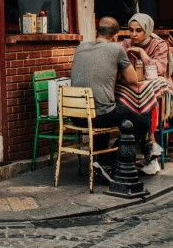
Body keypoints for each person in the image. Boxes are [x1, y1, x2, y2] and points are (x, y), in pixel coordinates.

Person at [71, 16, 160, 178]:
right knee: (140, 123)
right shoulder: (116, 49)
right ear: (115, 37)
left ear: (97, 32)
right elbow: (133, 80)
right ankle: (108, 160)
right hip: (99, 115)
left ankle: (100, 163)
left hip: (76, 115)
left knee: (105, 109)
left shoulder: (80, 48)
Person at [122, 13, 171, 81]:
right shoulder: (126, 44)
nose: (133, 34)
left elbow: (159, 71)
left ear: (147, 30)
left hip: (154, 86)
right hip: (131, 84)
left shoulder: (159, 45)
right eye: (131, 30)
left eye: (138, 31)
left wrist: (142, 52)